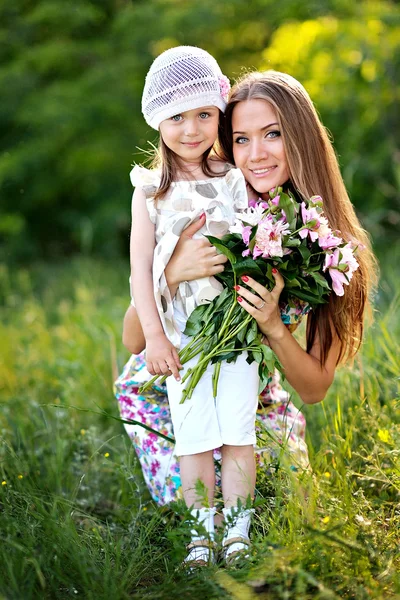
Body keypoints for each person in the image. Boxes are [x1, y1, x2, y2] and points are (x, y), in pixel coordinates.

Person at [117, 67, 377, 566]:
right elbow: (133, 340)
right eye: (241, 138)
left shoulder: (329, 249)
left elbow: (316, 388)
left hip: (252, 381)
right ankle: (198, 528)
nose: (256, 153)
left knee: (279, 502)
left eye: (273, 134)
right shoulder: (208, 199)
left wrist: (275, 326)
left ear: (302, 138)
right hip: (174, 372)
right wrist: (170, 274)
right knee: (195, 485)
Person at [128, 46, 262, 567]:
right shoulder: (149, 190)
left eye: (205, 113)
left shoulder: (234, 177)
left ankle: (237, 533)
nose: (192, 128)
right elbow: (141, 271)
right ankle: (200, 536)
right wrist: (157, 337)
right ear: (157, 120)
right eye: (177, 116)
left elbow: (256, 246)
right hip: (183, 337)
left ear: (219, 115)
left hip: (235, 330)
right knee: (194, 439)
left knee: (236, 433)